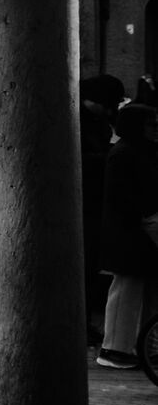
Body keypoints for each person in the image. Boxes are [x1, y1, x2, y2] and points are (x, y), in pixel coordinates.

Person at [97, 100, 158, 370]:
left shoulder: (131, 151)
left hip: (131, 229)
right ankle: (115, 348)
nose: (155, 128)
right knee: (127, 289)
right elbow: (124, 197)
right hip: (129, 231)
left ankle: (130, 346)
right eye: (150, 124)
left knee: (134, 289)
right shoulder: (126, 154)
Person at [80, 74, 126, 341]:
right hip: (85, 204)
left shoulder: (97, 121)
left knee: (89, 267)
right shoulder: (77, 119)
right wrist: (108, 158)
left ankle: (83, 324)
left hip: (95, 204)